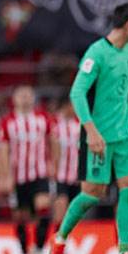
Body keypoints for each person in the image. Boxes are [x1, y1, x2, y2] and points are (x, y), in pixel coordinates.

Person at [49, 2, 128, 254]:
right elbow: (77, 93)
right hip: (98, 136)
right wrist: (90, 131)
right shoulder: (97, 53)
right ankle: (60, 239)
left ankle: (125, 252)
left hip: (124, 134)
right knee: (93, 193)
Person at [0, 85, 57, 254]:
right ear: (14, 99)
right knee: (20, 217)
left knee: (43, 208)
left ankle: (39, 249)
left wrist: (54, 164)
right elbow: (3, 152)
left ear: (33, 98)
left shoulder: (43, 118)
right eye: (21, 95)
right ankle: (24, 253)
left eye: (28, 95)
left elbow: (54, 142)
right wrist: (5, 176)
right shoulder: (7, 122)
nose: (24, 98)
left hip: (40, 173)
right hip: (18, 176)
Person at [52, 97, 81, 235]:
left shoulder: (80, 124)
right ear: (67, 106)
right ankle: (56, 241)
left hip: (76, 176)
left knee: (73, 215)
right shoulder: (54, 124)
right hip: (60, 176)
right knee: (60, 213)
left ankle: (66, 241)